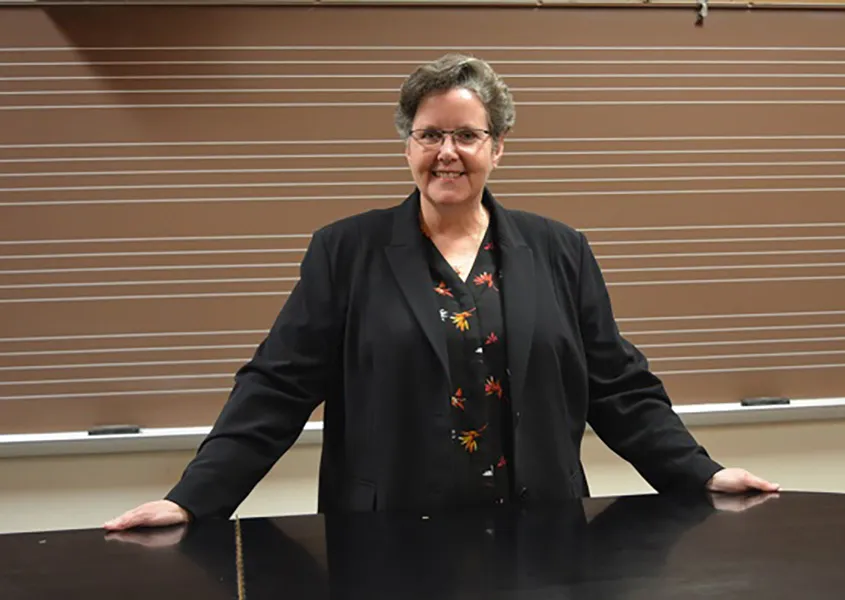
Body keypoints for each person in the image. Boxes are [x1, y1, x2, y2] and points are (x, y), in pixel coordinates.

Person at [105, 54, 778, 531]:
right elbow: (276, 388)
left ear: (498, 148)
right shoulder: (346, 251)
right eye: (429, 134)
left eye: (467, 135)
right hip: (386, 541)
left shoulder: (558, 249)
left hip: (543, 534)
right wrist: (192, 500)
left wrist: (703, 474)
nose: (447, 152)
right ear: (406, 147)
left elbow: (618, 385)